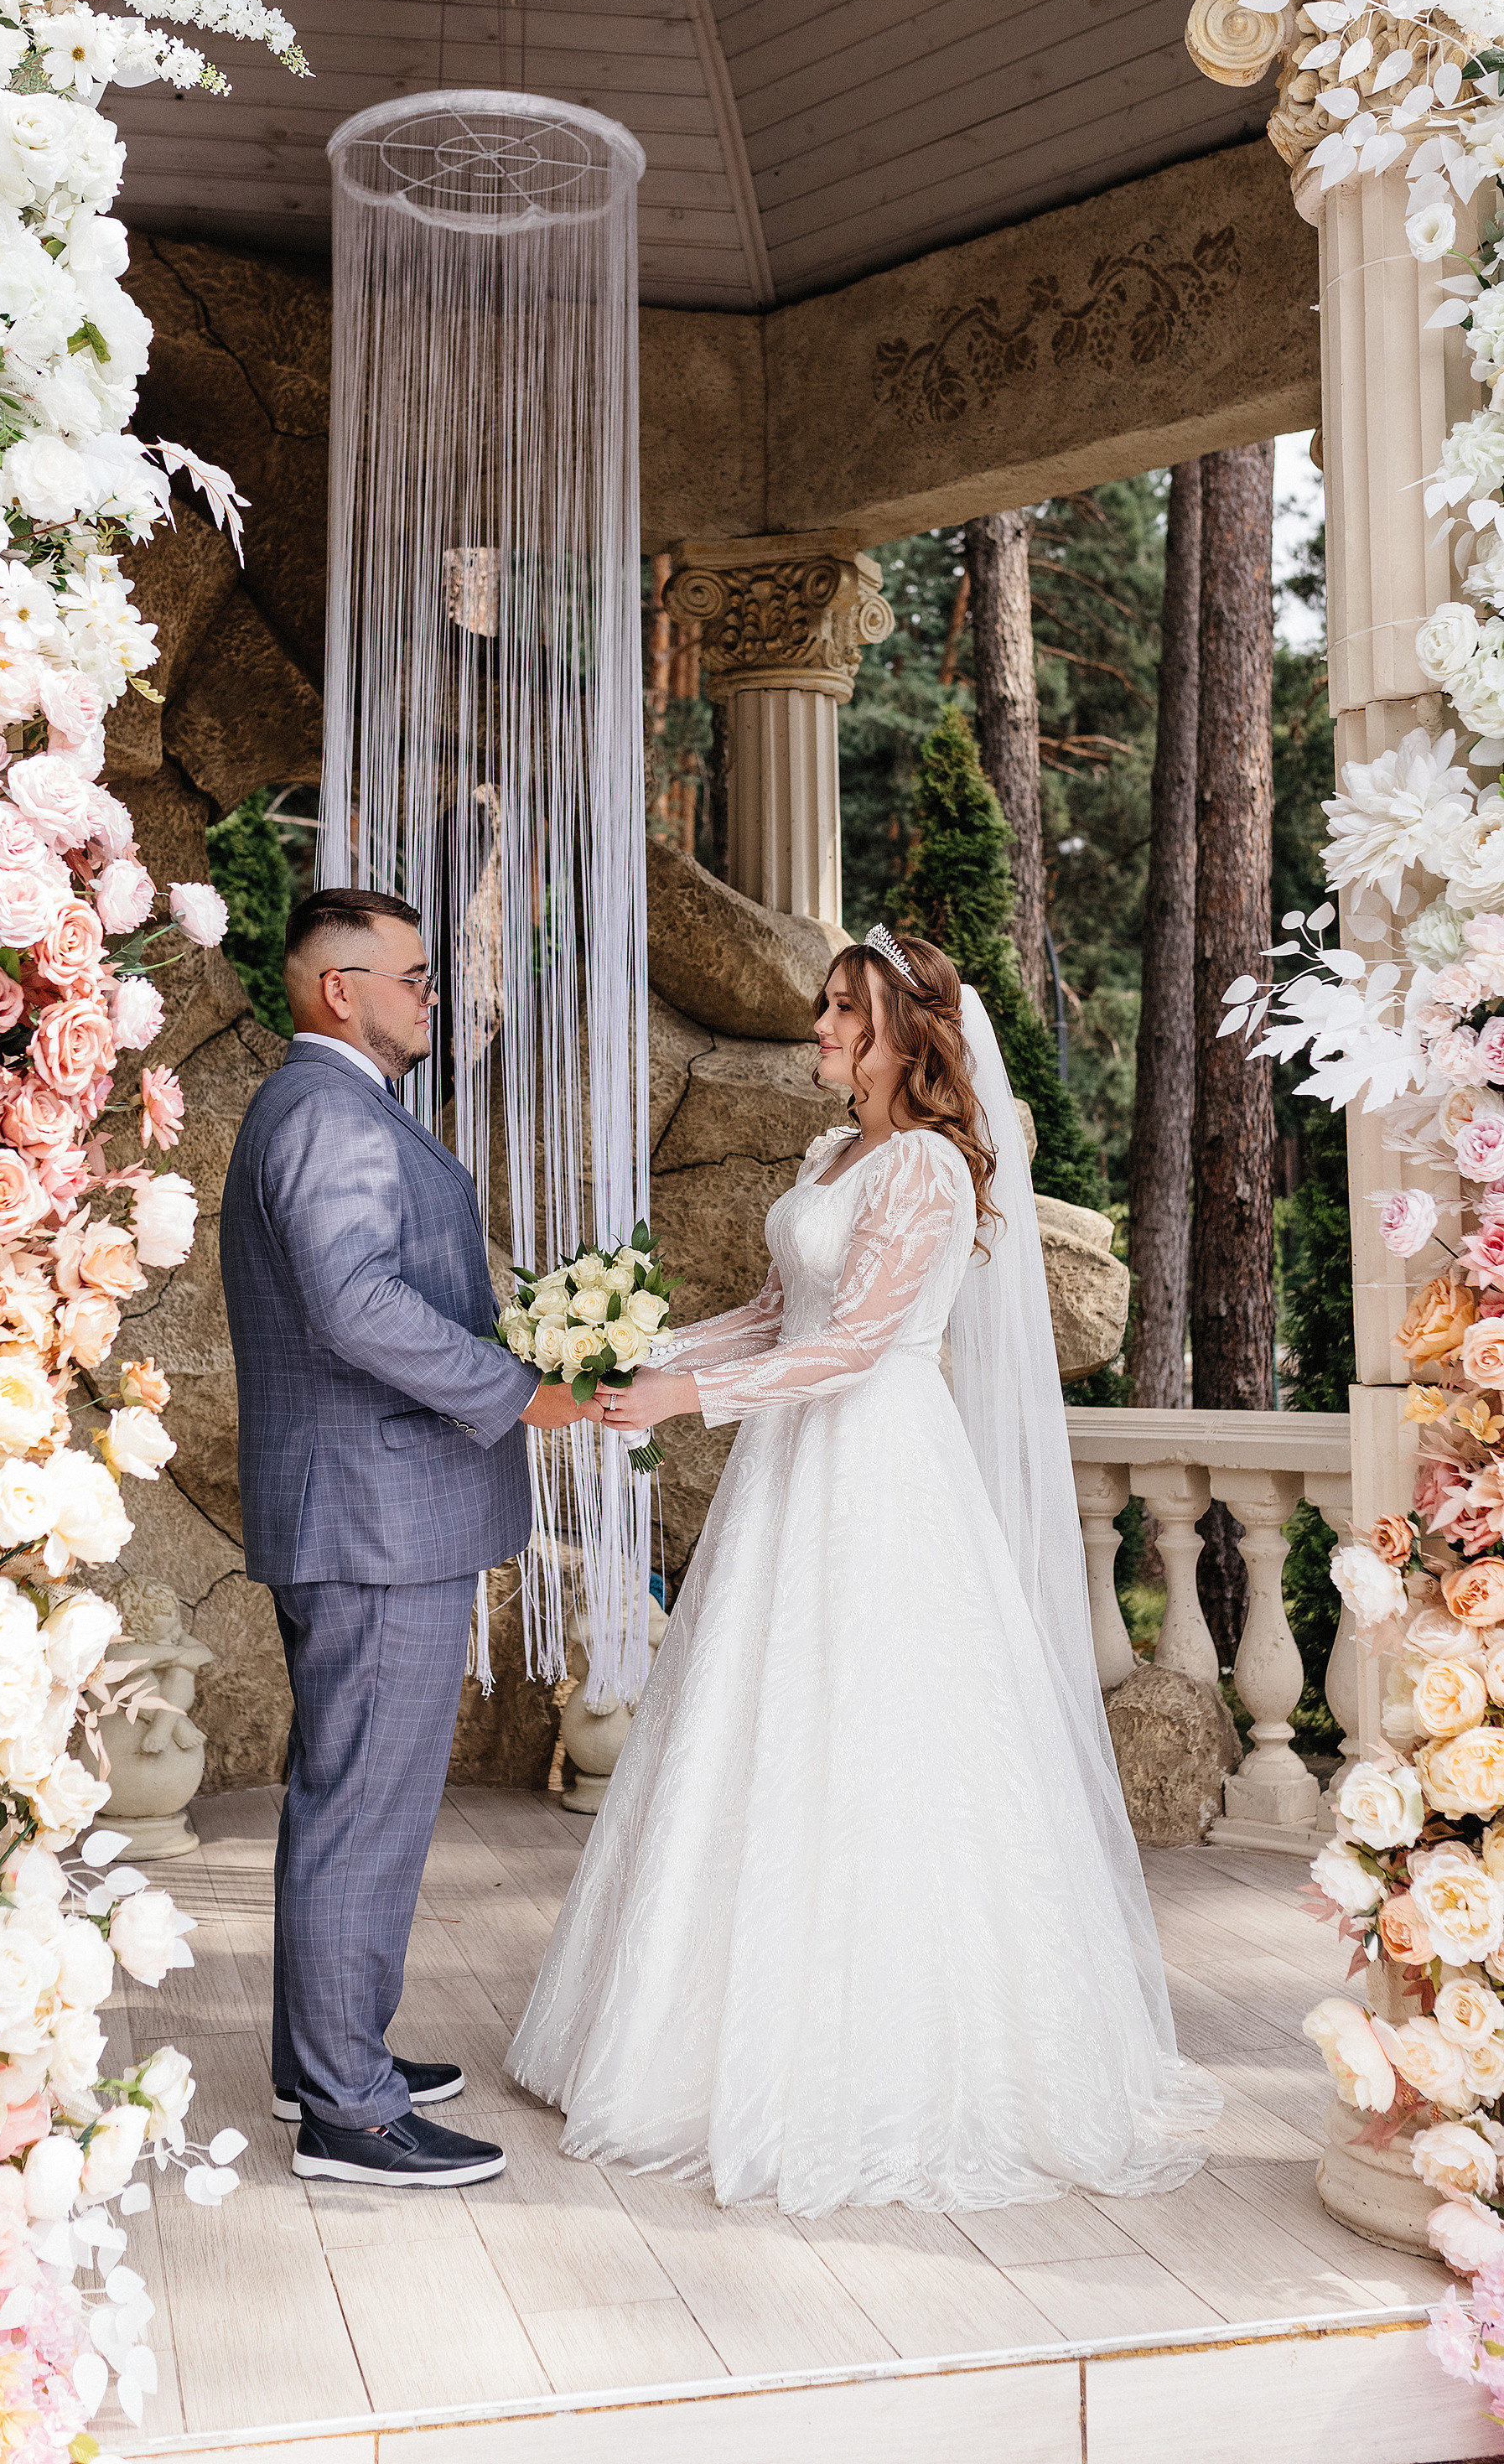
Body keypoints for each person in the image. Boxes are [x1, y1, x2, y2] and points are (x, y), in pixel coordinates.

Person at [506, 926, 1220, 2214]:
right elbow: (778, 1318)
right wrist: (632, 1357)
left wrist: (682, 1399)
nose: (823, 1027)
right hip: (791, 1465)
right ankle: (691, 2038)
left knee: (884, 1740)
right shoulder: (831, 1155)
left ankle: (887, 2070)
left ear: (908, 1038)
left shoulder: (931, 1169)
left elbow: (857, 1347)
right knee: (757, 1727)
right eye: (827, 1005)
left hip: (879, 1461)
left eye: (848, 1011)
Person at [220, 884, 586, 2190]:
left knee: (345, 1799)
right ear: (340, 990)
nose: (436, 995)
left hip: (364, 1509)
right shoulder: (326, 1112)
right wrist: (519, 1388)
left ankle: (318, 2059)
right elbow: (356, 1304)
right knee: (363, 1812)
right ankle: (350, 2114)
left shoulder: (329, 1105)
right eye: (416, 976)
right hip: (375, 1518)